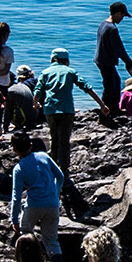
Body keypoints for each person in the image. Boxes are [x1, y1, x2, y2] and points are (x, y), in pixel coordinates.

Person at [33, 48, 103, 217]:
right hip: (66, 110)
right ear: (66, 60)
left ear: (53, 59)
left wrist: (36, 103)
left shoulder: (45, 72)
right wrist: (102, 105)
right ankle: (63, 175)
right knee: (65, 142)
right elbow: (86, 87)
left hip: (50, 110)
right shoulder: (70, 71)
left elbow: (38, 90)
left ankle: (51, 171)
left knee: (53, 140)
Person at [8, 131, 66, 262]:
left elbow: (16, 197)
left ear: (14, 149)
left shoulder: (19, 168)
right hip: (52, 204)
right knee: (52, 241)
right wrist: (55, 191)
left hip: (33, 206)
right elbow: (60, 176)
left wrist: (14, 219)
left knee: (27, 236)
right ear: (31, 145)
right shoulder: (44, 156)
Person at [95, 2, 132, 119]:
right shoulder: (112, 29)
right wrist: (129, 63)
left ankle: (113, 109)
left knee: (116, 82)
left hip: (101, 59)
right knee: (109, 87)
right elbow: (119, 48)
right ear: (118, 13)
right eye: (122, 16)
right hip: (106, 61)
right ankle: (104, 113)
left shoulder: (103, 24)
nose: (122, 19)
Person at [4, 65, 40, 131]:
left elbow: (8, 111)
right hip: (37, 117)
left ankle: (16, 124)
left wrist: (5, 127)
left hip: (26, 120)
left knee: (11, 106)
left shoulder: (11, 90)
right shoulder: (36, 82)